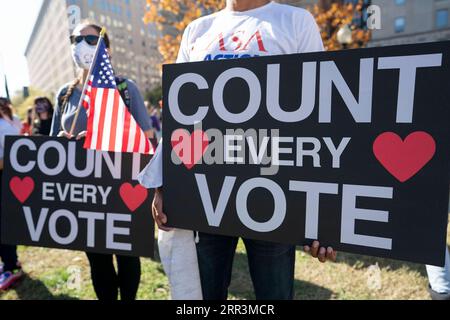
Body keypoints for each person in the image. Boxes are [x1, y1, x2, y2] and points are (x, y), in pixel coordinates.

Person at [139, 0, 336, 300]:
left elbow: (319, 115)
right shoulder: (196, 30)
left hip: (273, 191)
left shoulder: (296, 21)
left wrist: (323, 214)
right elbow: (184, 116)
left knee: (275, 295)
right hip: (206, 192)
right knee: (204, 296)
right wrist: (166, 184)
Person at [50, 21, 153, 300]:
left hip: (120, 185)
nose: (80, 44)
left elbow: (145, 137)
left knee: (127, 255)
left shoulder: (124, 87)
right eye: (75, 38)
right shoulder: (65, 94)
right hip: (84, 190)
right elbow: (52, 142)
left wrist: (101, 136)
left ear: (106, 48)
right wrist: (63, 139)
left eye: (90, 39)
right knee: (98, 259)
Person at [0, 97, 23, 290]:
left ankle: (11, 266)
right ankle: (7, 263)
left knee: (4, 226)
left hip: (5, 181)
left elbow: (16, 155)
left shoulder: (4, 127)